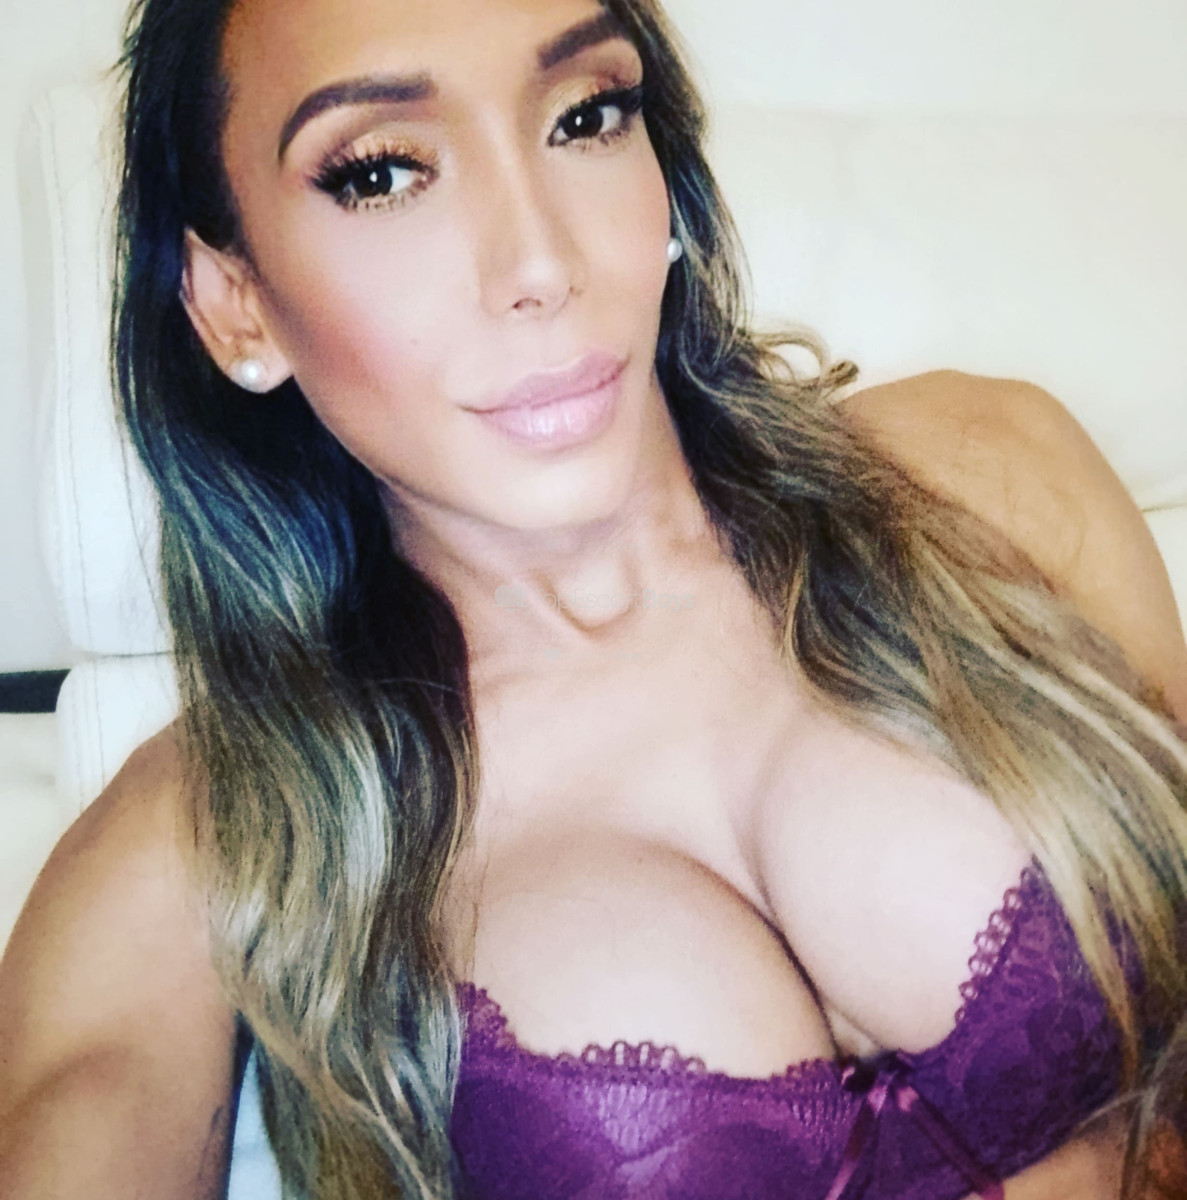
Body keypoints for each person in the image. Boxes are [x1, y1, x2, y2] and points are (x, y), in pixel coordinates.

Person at [1, 0, 1185, 1196]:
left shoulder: (990, 474)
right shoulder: (205, 833)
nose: (540, 265)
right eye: (381, 174)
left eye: (584, 116)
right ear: (234, 304)